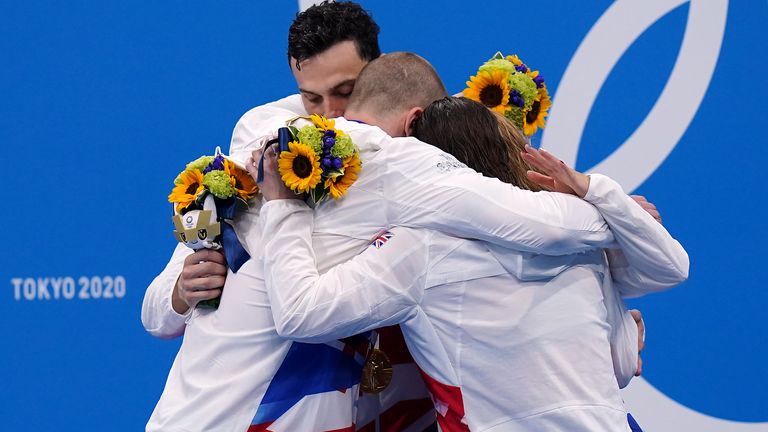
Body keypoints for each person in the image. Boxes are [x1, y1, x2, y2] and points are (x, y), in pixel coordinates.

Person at [143, 50, 642, 431]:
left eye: (342, 93)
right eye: (311, 100)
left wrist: (609, 214)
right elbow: (157, 312)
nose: (331, 115)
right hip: (240, 413)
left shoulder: (404, 175)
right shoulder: (256, 165)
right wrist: (180, 293)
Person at [251, 96, 688, 431]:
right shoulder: (579, 231)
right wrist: (607, 203)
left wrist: (283, 206)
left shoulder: (415, 249)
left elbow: (301, 313)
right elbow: (621, 356)